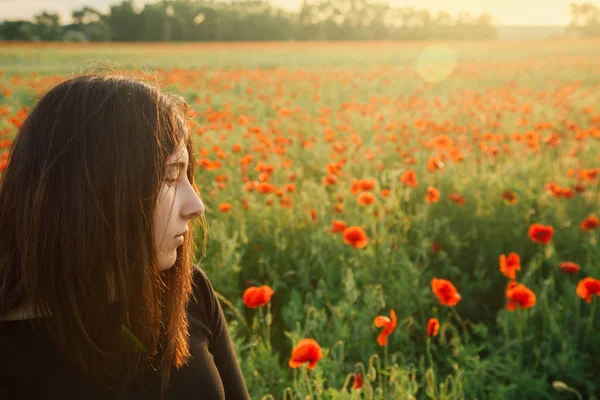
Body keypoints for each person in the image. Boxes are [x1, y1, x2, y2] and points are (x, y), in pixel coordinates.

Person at [0, 73, 251, 400]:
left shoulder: (188, 291)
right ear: (92, 193)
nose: (196, 205)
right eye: (169, 178)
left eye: (187, 175)